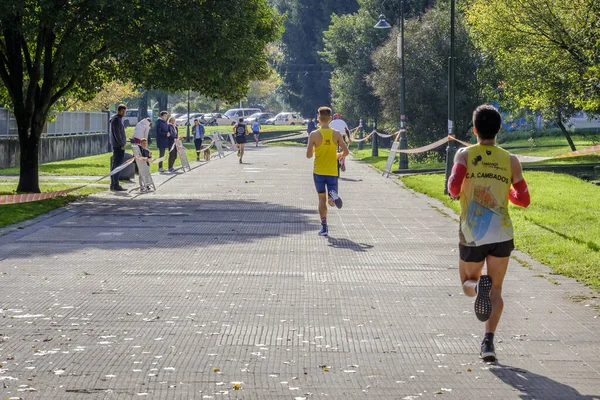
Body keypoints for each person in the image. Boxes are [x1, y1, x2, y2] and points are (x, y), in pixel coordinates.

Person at [447, 104, 530, 362]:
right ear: (499, 130)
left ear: (474, 130)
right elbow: (523, 199)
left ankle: (477, 287)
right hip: (502, 233)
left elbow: (453, 188)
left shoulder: (463, 155)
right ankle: (488, 343)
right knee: (497, 290)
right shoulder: (511, 160)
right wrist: (506, 190)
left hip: (473, 232)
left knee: (466, 283)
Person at [306, 106, 349, 236]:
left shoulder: (314, 134)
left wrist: (314, 150)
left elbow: (308, 155)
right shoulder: (336, 133)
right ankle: (332, 197)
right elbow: (346, 152)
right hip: (332, 171)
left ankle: (324, 227)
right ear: (330, 119)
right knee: (330, 199)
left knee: (321, 199)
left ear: (319, 119)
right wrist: (339, 155)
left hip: (319, 171)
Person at [109, 104, 127, 191]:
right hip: (118, 146)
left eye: (125, 111)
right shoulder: (116, 120)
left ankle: (113, 183)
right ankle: (115, 184)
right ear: (118, 111)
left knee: (116, 164)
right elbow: (117, 134)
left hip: (117, 145)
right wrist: (122, 144)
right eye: (122, 111)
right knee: (117, 165)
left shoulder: (117, 119)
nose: (124, 113)